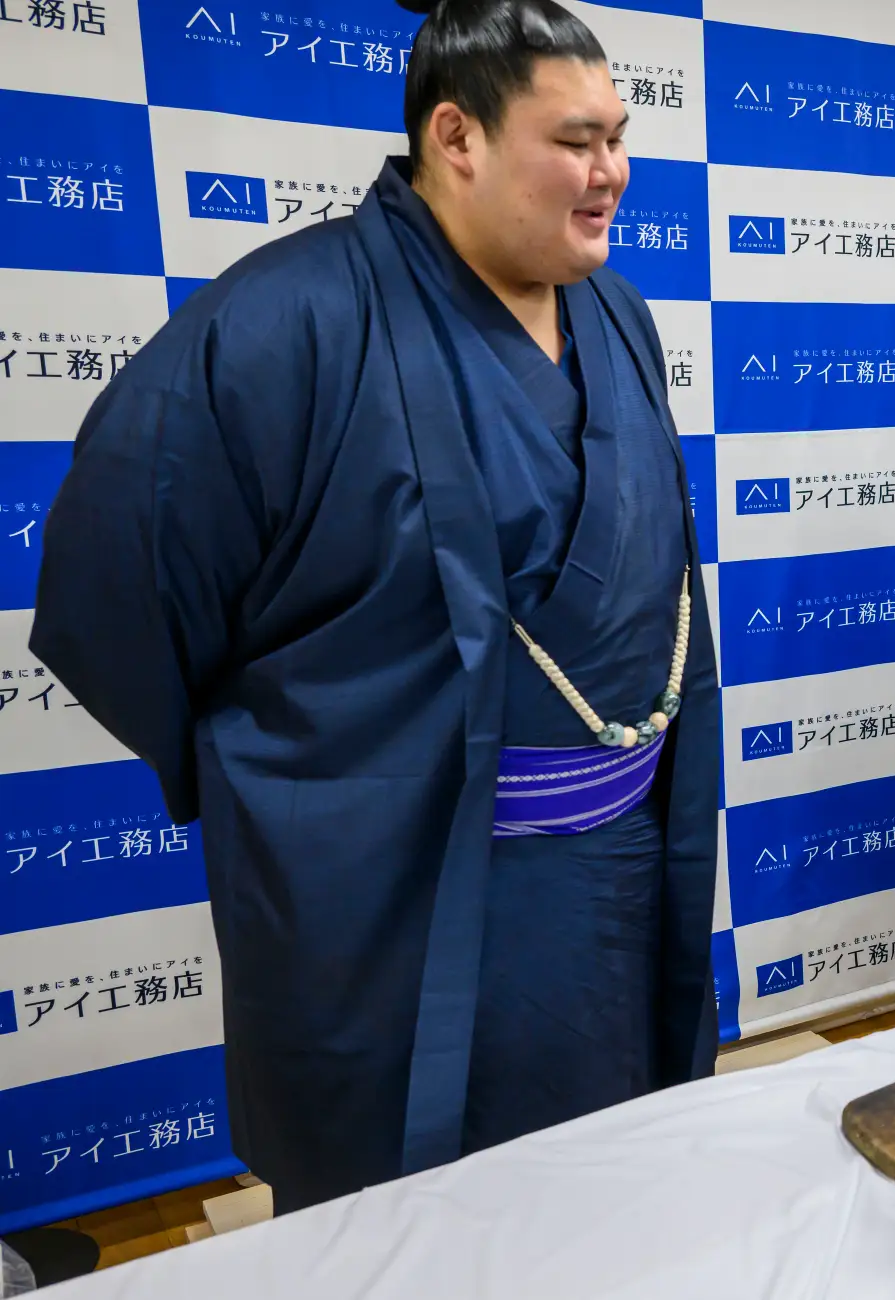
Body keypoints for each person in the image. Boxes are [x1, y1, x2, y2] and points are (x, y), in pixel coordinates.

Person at [29, 0, 720, 1213]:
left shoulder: (619, 313)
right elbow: (120, 587)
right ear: (456, 137)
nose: (611, 172)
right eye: (575, 142)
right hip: (382, 889)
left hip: (609, 867)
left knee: (603, 1191)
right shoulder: (283, 320)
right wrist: (295, 776)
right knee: (402, 1224)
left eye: (618, 137)